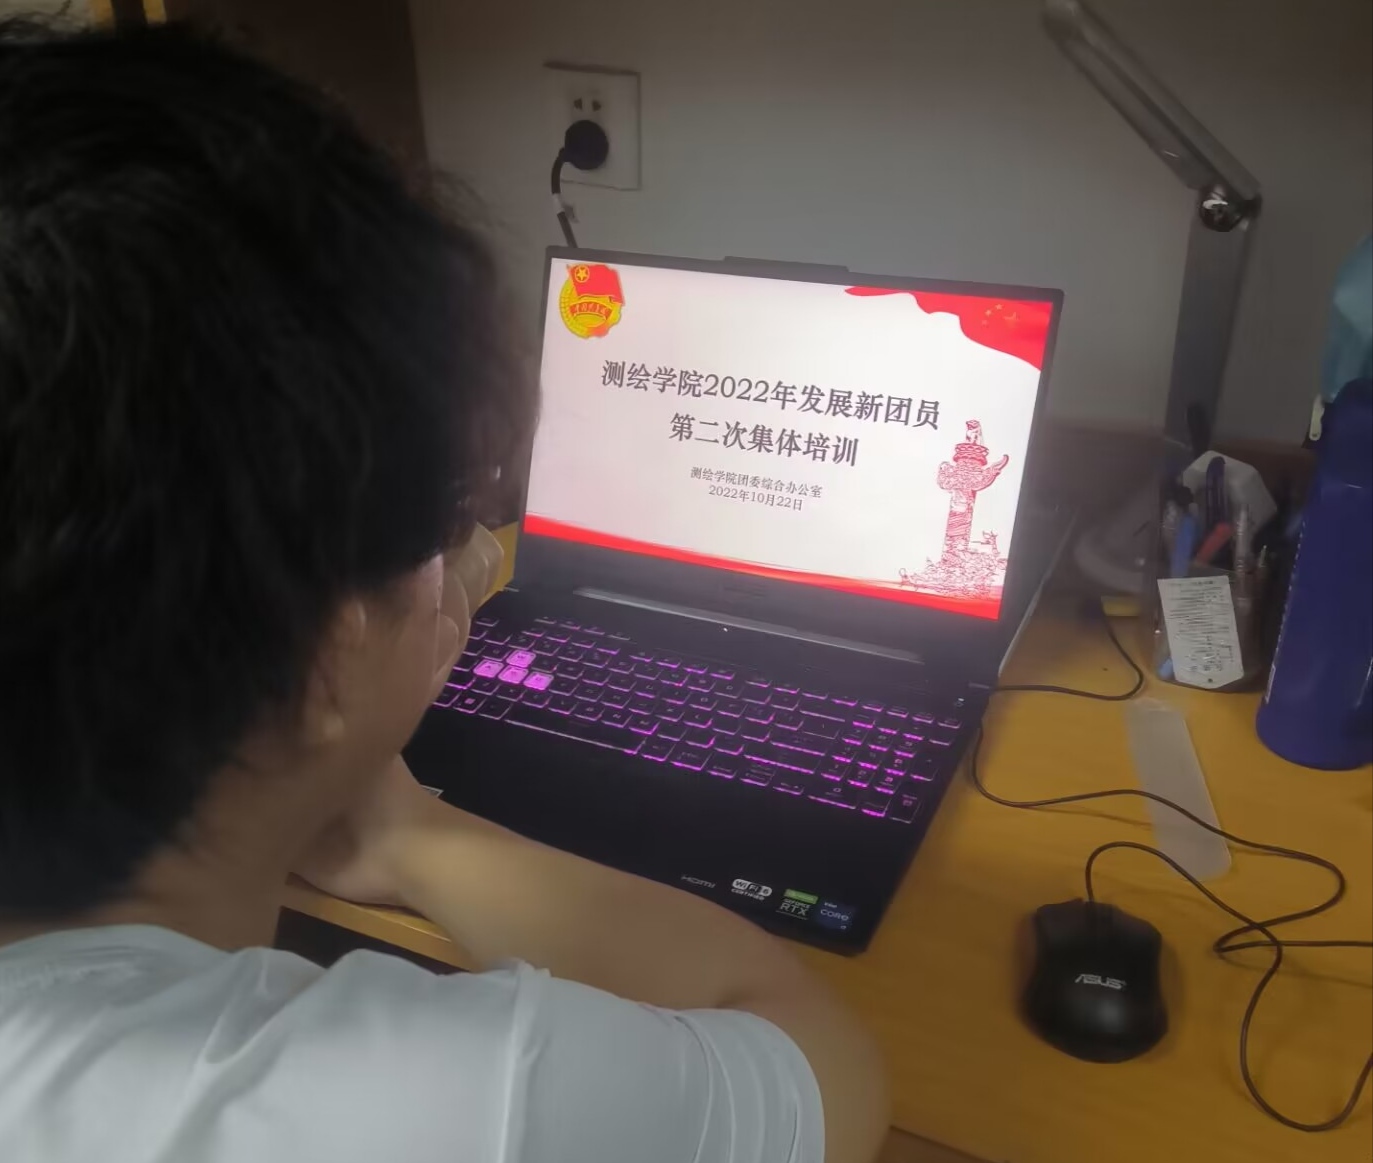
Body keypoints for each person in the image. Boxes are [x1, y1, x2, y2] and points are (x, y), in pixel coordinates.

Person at [0, 19, 888, 1163]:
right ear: (323, 655)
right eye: (450, 521)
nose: (470, 555)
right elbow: (822, 1069)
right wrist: (415, 834)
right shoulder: (430, 1107)